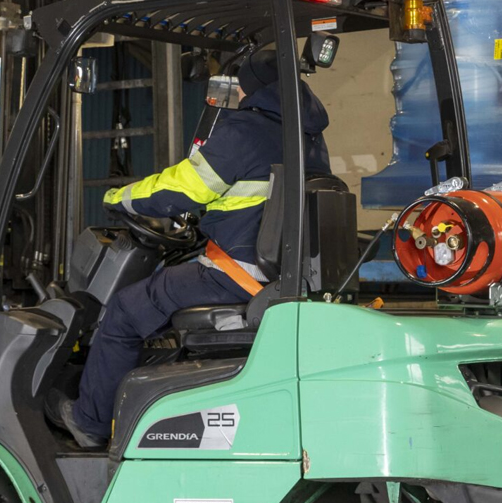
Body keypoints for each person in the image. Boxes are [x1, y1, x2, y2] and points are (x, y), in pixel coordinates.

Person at [54, 49, 330, 450]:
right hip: (280, 276)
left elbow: (181, 189)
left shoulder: (245, 130)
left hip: (234, 276)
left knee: (126, 310)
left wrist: (120, 198)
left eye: (241, 88)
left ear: (254, 90)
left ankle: (90, 421)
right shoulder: (309, 139)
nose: (237, 96)